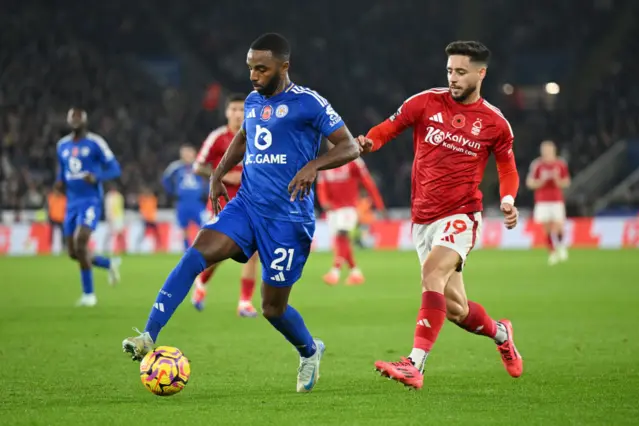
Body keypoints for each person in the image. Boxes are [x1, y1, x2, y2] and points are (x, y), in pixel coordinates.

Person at [122, 33, 360, 393]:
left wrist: (314, 166)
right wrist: (218, 173)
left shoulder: (309, 103)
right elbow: (245, 138)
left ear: (284, 67)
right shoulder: (252, 101)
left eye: (262, 69)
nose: (253, 76)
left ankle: (310, 350)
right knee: (194, 256)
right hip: (247, 205)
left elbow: (350, 146)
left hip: (288, 219)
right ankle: (148, 336)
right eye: (250, 68)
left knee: (273, 309)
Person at [357, 41, 522, 389]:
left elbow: (507, 166)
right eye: (450, 71)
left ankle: (414, 364)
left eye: (461, 72)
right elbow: (389, 127)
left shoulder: (495, 122)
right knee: (457, 309)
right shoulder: (425, 101)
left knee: (432, 273)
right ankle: (501, 333)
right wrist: (370, 142)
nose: (453, 78)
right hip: (423, 218)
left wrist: (507, 199)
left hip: (461, 213)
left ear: (481, 73)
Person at [190, 93, 259, 316]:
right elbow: (198, 166)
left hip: (251, 200)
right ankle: (201, 282)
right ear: (227, 112)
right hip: (223, 201)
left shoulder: (257, 135)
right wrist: (223, 177)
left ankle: (245, 302)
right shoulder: (218, 137)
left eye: (242, 110)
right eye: (234, 109)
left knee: (254, 251)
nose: (239, 114)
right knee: (221, 251)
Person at [55, 108, 122, 306]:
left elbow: (115, 168)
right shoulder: (62, 145)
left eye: (78, 118)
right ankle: (108, 264)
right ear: (68, 121)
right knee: (73, 252)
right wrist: (59, 182)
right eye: (72, 118)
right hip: (71, 202)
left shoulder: (95, 143)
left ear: (85, 121)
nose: (75, 121)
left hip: (90, 200)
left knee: (81, 241)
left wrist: (97, 177)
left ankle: (89, 295)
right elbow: (63, 169)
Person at [316, 151, 385, 285]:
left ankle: (334, 272)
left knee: (342, 234)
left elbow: (367, 182)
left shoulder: (353, 160)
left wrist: (379, 203)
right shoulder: (326, 161)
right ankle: (355, 272)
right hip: (333, 209)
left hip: (349, 207)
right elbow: (321, 185)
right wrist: (324, 201)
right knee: (341, 241)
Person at [526, 140, 570, 265]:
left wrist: (557, 180)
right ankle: (552, 253)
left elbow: (566, 182)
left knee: (559, 226)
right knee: (546, 228)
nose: (546, 153)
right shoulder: (537, 165)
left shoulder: (560, 164)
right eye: (544, 150)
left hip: (556, 200)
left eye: (549, 150)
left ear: (554, 151)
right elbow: (530, 183)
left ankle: (561, 246)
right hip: (542, 201)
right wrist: (541, 181)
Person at [162, 145, 208, 251]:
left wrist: (206, 192)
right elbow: (165, 179)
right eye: (185, 153)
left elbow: (210, 178)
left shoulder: (200, 166)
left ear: (194, 153)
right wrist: (173, 191)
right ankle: (187, 249)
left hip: (197, 202)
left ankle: (202, 247)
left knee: (204, 226)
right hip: (182, 202)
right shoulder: (176, 167)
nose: (187, 155)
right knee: (184, 228)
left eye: (189, 153)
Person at [105, 183, 126, 255]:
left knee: (120, 234)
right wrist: (109, 217)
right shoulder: (109, 197)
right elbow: (108, 208)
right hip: (112, 218)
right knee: (113, 235)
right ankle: (113, 249)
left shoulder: (119, 196)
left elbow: (121, 207)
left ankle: (122, 249)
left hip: (119, 217)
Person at [137, 187, 160, 252]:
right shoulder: (144, 200)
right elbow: (141, 202)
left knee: (156, 233)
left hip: (151, 219)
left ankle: (159, 246)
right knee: (144, 234)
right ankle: (139, 245)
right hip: (146, 219)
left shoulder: (152, 199)